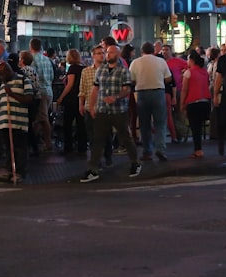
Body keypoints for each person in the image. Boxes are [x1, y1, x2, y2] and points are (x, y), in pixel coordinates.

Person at [82, 45, 141, 183]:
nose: (108, 55)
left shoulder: (123, 71)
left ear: (118, 54)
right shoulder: (101, 70)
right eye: (107, 52)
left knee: (125, 137)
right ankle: (93, 169)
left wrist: (116, 97)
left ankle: (135, 162)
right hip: (103, 109)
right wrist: (91, 106)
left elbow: (127, 89)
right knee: (98, 140)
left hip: (118, 110)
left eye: (111, 52)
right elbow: (95, 89)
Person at [128, 42, 171, 162]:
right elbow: (168, 78)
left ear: (141, 51)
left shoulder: (135, 62)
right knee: (160, 123)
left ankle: (147, 151)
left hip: (142, 93)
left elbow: (131, 80)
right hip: (158, 92)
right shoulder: (161, 61)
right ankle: (160, 149)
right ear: (153, 51)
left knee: (144, 124)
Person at [0, 61, 33, 182]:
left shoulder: (23, 80)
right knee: (8, 148)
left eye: (2, 74)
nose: (1, 77)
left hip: (18, 121)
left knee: (19, 148)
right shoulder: (1, 85)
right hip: (4, 121)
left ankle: (20, 172)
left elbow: (28, 98)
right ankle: (10, 170)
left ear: (8, 70)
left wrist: (12, 94)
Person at [180, 51, 211, 159]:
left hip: (193, 103)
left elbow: (184, 90)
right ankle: (199, 148)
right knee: (200, 127)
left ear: (191, 61)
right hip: (205, 102)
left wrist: (182, 104)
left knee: (195, 128)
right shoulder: (205, 72)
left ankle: (198, 150)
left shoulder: (188, 73)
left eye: (188, 59)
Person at [55, 49, 85, 156]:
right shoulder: (83, 68)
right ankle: (82, 147)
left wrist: (61, 97)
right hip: (81, 98)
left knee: (67, 124)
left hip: (71, 99)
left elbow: (70, 85)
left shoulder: (72, 69)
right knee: (81, 124)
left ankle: (68, 147)